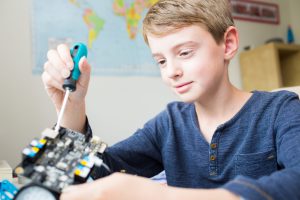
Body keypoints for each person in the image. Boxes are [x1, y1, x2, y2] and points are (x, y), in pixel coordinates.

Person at [42, 0, 300, 199]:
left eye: (185, 52)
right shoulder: (169, 124)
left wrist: (164, 195)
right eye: (161, 61)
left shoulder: (280, 110)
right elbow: (94, 170)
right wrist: (72, 106)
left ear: (228, 43)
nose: (171, 71)